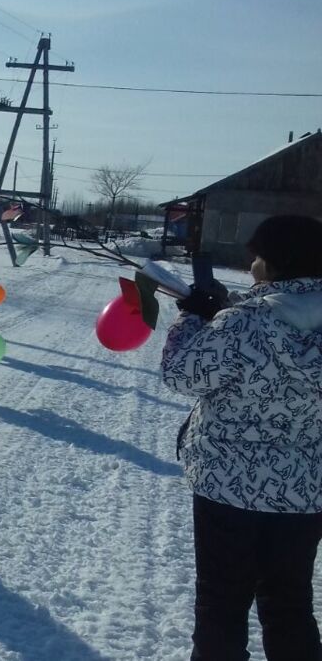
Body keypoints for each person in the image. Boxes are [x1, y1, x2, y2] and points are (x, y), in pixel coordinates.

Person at [162, 214, 322, 660]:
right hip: (306, 491)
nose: (251, 264)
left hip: (227, 489)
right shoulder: (246, 319)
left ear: (273, 263)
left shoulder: (242, 325)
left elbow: (181, 373)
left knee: (221, 606)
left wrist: (193, 320)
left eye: (256, 257)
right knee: (290, 605)